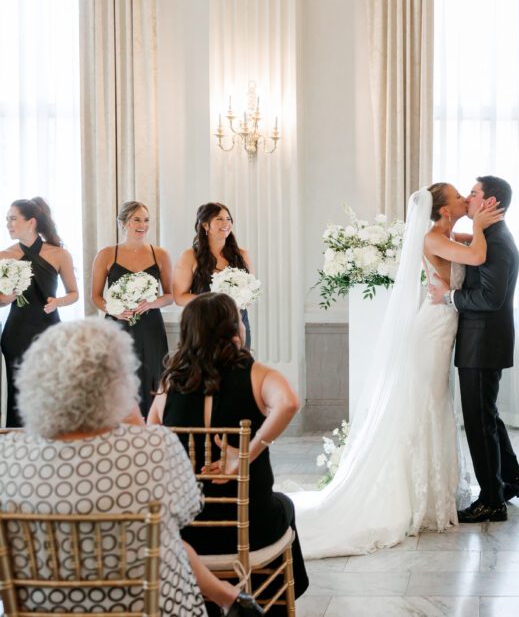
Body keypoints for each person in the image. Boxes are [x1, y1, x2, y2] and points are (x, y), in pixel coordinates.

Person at [293, 183, 504, 555]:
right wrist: (483, 229)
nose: (462, 200)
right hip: (433, 331)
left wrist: (480, 226)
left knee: (434, 407)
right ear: (442, 210)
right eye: (457, 197)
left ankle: (433, 493)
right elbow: (475, 258)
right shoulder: (433, 239)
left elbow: (470, 251)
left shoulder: (448, 232)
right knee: (423, 405)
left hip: (443, 327)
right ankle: (408, 497)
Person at [0, 318, 262, 616]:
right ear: (118, 382)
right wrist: (134, 418)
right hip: (148, 606)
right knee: (165, 536)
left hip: (44, 609)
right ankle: (230, 597)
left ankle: (227, 595)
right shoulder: (153, 448)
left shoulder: (8, 455)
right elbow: (181, 522)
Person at [149, 293, 308, 612]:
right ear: (234, 328)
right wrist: (247, 452)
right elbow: (289, 402)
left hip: (187, 533)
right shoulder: (256, 373)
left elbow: (149, 438)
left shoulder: (170, 382)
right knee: (284, 505)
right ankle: (264, 605)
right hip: (246, 527)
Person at [428, 176, 519, 523]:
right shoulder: (489, 237)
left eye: (473, 194)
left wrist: (449, 297)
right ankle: (511, 480)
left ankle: (492, 501)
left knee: (478, 421)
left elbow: (490, 298)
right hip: (484, 340)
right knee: (487, 416)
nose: (468, 198)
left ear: (489, 203)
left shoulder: (497, 243)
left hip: (482, 341)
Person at [0, 198, 79, 427]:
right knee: (19, 390)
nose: (8, 224)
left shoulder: (59, 254)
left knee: (51, 389)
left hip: (49, 332)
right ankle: (19, 450)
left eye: (13, 219)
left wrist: (58, 302)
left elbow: (74, 293)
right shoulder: (4, 256)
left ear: (31, 222)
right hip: (16, 333)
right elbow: (1, 301)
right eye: (7, 220)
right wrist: (8, 297)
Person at [90, 201, 173, 415]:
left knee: (151, 374)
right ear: (123, 223)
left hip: (151, 327)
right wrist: (114, 310)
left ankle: (150, 427)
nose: (142, 225)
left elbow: (170, 296)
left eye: (146, 220)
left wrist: (152, 303)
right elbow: (96, 296)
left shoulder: (160, 255)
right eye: (137, 219)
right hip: (118, 325)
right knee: (120, 375)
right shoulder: (107, 254)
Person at [172, 202, 254, 348]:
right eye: (219, 219)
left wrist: (242, 298)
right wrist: (214, 302)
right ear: (205, 225)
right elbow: (179, 297)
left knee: (239, 368)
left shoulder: (242, 255)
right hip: (204, 325)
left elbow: (251, 292)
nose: (226, 223)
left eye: (228, 219)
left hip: (237, 323)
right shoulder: (190, 256)